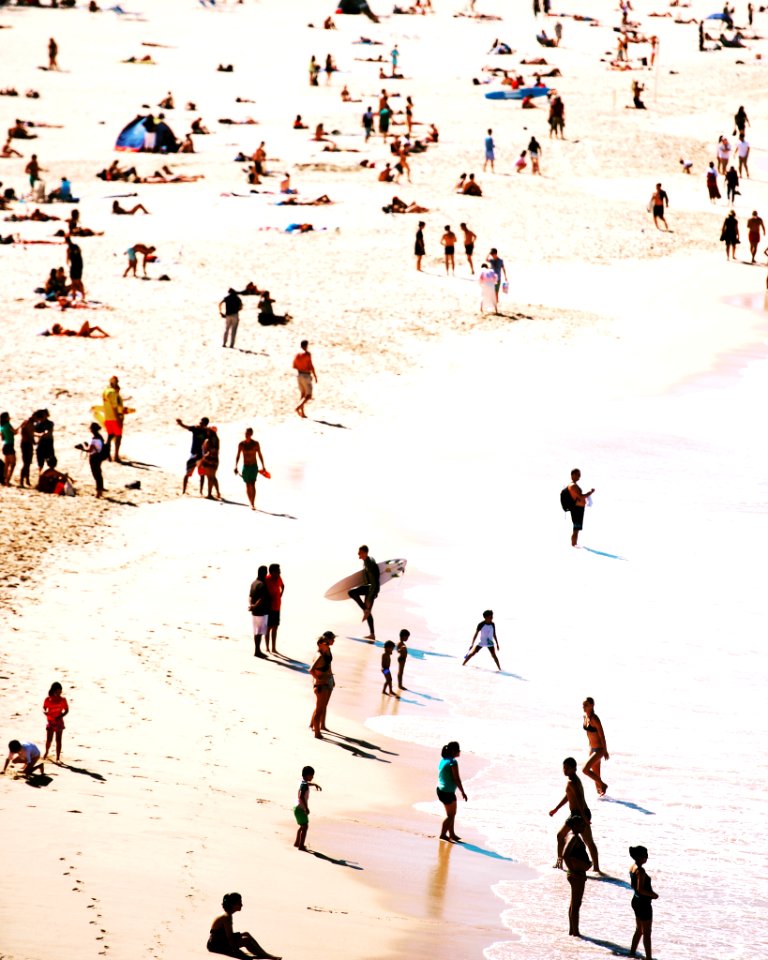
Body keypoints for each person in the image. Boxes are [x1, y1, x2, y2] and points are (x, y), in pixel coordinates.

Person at [549, 757, 601, 873]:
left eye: (568, 768)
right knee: (562, 836)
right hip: (578, 814)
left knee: (587, 841)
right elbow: (569, 796)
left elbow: (579, 800)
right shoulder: (573, 780)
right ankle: (561, 862)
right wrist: (556, 809)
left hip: (579, 814)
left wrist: (584, 819)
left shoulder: (572, 781)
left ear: (574, 768)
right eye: (564, 767)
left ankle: (595, 868)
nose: (565, 770)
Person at [207, 892, 280, 959]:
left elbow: (227, 936)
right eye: (239, 903)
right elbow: (229, 938)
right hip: (216, 945)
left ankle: (263, 954)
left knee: (246, 934)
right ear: (233, 905)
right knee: (246, 940)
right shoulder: (226, 917)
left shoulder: (227, 915)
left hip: (221, 941)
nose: (241, 905)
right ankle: (265, 955)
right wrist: (237, 952)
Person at [562, 815, 591, 937]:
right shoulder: (573, 837)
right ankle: (576, 932)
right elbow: (565, 854)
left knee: (574, 903)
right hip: (576, 874)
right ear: (574, 825)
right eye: (581, 824)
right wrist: (573, 871)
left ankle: (572, 931)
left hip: (576, 872)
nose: (584, 825)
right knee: (576, 904)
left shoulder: (571, 835)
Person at [628, 846, 658, 958]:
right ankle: (649, 958)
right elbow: (641, 889)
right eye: (645, 855)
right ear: (639, 857)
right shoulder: (640, 870)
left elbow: (633, 885)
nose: (647, 857)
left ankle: (631, 952)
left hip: (635, 900)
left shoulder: (632, 867)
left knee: (639, 930)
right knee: (647, 933)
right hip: (643, 903)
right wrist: (653, 895)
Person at [436, 741, 467, 842]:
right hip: (447, 792)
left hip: (440, 790)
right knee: (451, 815)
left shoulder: (443, 760)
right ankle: (443, 834)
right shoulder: (453, 762)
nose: (460, 752)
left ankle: (452, 834)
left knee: (451, 814)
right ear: (454, 751)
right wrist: (463, 792)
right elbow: (456, 778)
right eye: (458, 750)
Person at [348, 545, 380, 640]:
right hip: (371, 589)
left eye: (360, 552)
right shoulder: (368, 560)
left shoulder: (369, 562)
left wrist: (371, 596)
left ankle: (365, 610)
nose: (358, 554)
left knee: (351, 592)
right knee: (368, 612)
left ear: (365, 553)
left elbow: (374, 580)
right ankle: (372, 634)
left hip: (371, 589)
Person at [310, 632, 336, 738]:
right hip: (321, 685)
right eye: (330, 641)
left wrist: (332, 679)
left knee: (322, 706)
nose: (332, 642)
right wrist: (318, 680)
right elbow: (311, 670)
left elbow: (328, 665)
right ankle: (317, 733)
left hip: (328, 680)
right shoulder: (319, 656)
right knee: (320, 708)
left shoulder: (328, 651)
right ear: (322, 644)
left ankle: (316, 725)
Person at [582, 697, 609, 795]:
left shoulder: (595, 719)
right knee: (596, 776)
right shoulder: (585, 717)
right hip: (592, 749)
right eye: (583, 705)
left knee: (585, 769)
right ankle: (602, 800)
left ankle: (603, 785)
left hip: (599, 749)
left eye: (586, 705)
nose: (584, 707)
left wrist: (605, 751)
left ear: (592, 706)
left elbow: (602, 735)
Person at [234, 427, 265, 511]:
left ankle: (252, 503)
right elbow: (238, 455)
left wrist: (263, 466)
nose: (246, 435)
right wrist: (236, 466)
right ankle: (250, 502)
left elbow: (260, 454)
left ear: (251, 434)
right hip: (246, 467)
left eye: (248, 433)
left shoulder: (255, 444)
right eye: (245, 433)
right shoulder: (241, 444)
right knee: (247, 484)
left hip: (254, 466)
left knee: (253, 484)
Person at [177, 416, 209, 494]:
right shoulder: (195, 429)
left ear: (205, 424)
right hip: (193, 454)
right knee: (187, 473)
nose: (200, 424)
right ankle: (183, 491)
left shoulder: (207, 432)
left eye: (202, 423)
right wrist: (180, 423)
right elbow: (186, 427)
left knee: (202, 474)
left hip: (201, 456)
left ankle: (201, 491)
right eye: (200, 422)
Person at [293, 765, 322, 851]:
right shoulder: (304, 785)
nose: (313, 777)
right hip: (301, 808)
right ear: (307, 775)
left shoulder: (302, 782)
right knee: (305, 827)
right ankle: (301, 846)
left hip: (297, 807)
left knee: (302, 826)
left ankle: (297, 842)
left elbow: (306, 784)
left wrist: (315, 784)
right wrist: (306, 808)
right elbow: (302, 796)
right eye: (312, 775)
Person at [77, 421, 106, 498]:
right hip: (99, 456)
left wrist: (82, 448)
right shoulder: (100, 437)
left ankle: (98, 492)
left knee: (96, 474)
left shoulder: (94, 439)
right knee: (99, 473)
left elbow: (90, 450)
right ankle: (101, 489)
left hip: (94, 457)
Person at [567, 467, 594, 547]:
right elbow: (581, 497)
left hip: (578, 508)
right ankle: (574, 545)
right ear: (572, 475)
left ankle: (574, 544)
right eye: (578, 474)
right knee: (576, 528)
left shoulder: (573, 485)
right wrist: (590, 492)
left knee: (576, 528)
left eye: (579, 475)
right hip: (577, 509)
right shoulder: (573, 486)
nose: (579, 476)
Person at [43, 682, 69, 762]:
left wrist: (60, 716)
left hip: (59, 722)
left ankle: (58, 757)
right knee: (49, 740)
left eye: (60, 692)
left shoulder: (63, 700)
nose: (58, 694)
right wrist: (45, 712)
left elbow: (66, 710)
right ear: (53, 691)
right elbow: (44, 707)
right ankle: (47, 751)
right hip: (50, 721)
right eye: (57, 692)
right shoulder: (48, 699)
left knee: (58, 740)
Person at [249, 565, 271, 657]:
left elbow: (250, 596)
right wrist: (255, 606)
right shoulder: (262, 584)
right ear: (263, 573)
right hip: (261, 611)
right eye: (266, 572)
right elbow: (262, 598)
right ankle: (257, 651)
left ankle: (257, 650)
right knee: (259, 632)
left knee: (256, 631)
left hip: (255, 611)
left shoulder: (254, 583)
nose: (266, 574)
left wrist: (251, 605)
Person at [293, 340, 318, 418]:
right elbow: (311, 365)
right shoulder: (307, 354)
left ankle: (302, 412)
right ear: (306, 345)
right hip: (306, 375)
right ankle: (298, 408)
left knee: (302, 394)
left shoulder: (297, 354)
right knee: (308, 395)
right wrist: (315, 375)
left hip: (299, 375)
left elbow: (294, 365)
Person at [102, 376, 124, 463]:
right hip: (114, 418)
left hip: (107, 417)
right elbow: (114, 407)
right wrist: (118, 418)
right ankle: (116, 456)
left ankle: (108, 455)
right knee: (118, 437)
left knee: (110, 436)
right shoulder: (112, 393)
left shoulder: (105, 391)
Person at [265, 563, 284, 653]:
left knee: (275, 627)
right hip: (269, 608)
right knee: (268, 627)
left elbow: (283, 586)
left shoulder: (278, 578)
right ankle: (267, 647)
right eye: (278, 570)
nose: (280, 572)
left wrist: (280, 595)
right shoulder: (267, 580)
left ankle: (273, 647)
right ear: (272, 572)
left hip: (277, 607)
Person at [200, 426, 221, 499]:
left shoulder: (208, 441)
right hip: (215, 460)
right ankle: (218, 492)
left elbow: (207, 452)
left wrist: (203, 460)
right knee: (213, 477)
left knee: (210, 478)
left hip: (209, 460)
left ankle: (209, 494)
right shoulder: (217, 439)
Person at [18, 412, 38, 488]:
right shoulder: (28, 423)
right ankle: (22, 481)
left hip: (27, 444)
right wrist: (33, 441)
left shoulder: (29, 423)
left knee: (28, 463)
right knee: (26, 463)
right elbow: (27, 434)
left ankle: (26, 480)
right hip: (26, 444)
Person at [0, 412, 18, 485]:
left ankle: (4, 479)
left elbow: (2, 438)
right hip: (10, 445)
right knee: (13, 464)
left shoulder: (2, 426)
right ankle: (7, 480)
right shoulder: (8, 425)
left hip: (5, 446)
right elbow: (15, 432)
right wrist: (21, 425)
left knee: (7, 464)